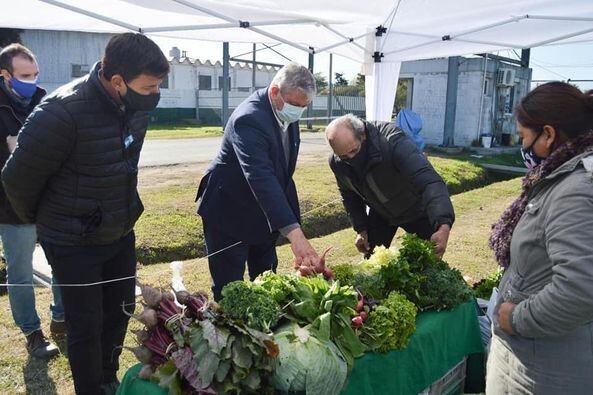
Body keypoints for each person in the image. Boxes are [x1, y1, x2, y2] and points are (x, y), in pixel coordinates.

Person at [2, 33, 169, 394]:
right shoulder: (62, 111)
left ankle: (107, 378)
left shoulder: (134, 108)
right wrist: (51, 223)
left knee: (119, 311)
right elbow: (16, 180)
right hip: (73, 242)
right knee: (85, 325)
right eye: (150, 85)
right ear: (118, 82)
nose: (156, 92)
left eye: (159, 85)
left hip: (119, 231)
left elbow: (124, 164)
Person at [487, 82, 593, 394]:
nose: (522, 147)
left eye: (523, 137)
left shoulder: (574, 191)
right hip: (535, 358)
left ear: (548, 134)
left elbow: (579, 290)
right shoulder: (561, 178)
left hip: (545, 369)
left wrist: (515, 318)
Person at [197, 62, 320, 300]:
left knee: (266, 281)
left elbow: (283, 175)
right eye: (295, 105)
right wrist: (295, 236)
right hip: (229, 212)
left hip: (264, 216)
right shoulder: (249, 119)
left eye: (304, 107)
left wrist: (293, 225)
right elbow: (261, 176)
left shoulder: (286, 114)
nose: (298, 112)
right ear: (275, 92)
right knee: (230, 291)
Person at [0, 43, 65, 359]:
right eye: (25, 75)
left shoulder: (45, 100)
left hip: (49, 203)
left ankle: (62, 319)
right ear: (5, 75)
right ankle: (32, 332)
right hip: (10, 207)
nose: (33, 80)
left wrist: (21, 151)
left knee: (63, 262)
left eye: (35, 73)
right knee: (21, 272)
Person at [326, 114, 454, 258]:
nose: (351, 159)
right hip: (381, 212)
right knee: (372, 262)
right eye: (344, 157)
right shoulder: (337, 162)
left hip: (415, 207)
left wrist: (443, 224)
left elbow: (428, 181)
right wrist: (361, 229)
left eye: (354, 151)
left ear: (363, 135)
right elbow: (349, 195)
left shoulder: (392, 141)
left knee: (430, 260)